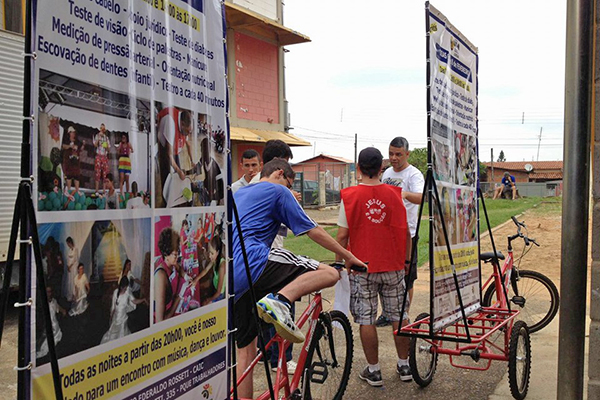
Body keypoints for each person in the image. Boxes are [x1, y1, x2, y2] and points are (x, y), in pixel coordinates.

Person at [233, 159, 366, 398]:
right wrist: (348, 256)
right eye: (289, 183)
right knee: (329, 273)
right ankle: (281, 300)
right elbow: (311, 229)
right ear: (280, 174)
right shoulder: (277, 190)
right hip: (255, 260)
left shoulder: (240, 193)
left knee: (246, 350)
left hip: (232, 276)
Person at [336, 147, 412, 386]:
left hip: (362, 266)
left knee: (366, 320)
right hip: (393, 265)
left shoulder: (349, 196)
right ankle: (404, 365)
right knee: (400, 316)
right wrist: (407, 261)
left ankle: (374, 370)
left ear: (358, 168)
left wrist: (341, 262)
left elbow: (341, 236)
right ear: (382, 168)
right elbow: (406, 233)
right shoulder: (396, 194)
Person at [377, 136, 424, 326]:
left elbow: (422, 197)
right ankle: (387, 313)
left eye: (398, 154)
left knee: (407, 277)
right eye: (390, 154)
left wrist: (403, 194)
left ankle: (404, 315)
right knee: (384, 275)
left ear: (407, 154)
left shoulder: (414, 175)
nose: (394, 158)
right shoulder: (387, 172)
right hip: (386, 233)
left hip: (407, 234)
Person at [101, 276, 147, 344]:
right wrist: (111, 316)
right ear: (122, 286)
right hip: (116, 318)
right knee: (113, 334)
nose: (126, 289)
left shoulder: (127, 292)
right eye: (125, 288)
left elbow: (134, 301)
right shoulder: (115, 292)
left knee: (123, 333)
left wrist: (143, 299)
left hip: (123, 318)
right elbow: (113, 307)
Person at [154, 228, 185, 322]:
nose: (177, 257)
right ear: (166, 254)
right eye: (175, 254)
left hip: (174, 303)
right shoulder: (160, 276)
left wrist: (186, 277)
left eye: (178, 253)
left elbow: (180, 269)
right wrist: (178, 299)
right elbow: (160, 321)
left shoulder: (172, 261)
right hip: (167, 318)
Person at [37, 286, 66, 358]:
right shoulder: (42, 302)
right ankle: (42, 351)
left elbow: (57, 307)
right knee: (46, 338)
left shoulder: (53, 300)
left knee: (55, 335)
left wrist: (63, 310)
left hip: (54, 322)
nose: (48, 293)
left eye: (49, 291)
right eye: (47, 291)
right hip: (47, 323)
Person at [62, 126, 83, 196]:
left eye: (74, 132)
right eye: (72, 132)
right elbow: (63, 146)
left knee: (76, 175)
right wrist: (70, 146)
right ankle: (69, 190)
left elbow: (80, 148)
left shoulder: (77, 141)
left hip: (76, 161)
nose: (73, 134)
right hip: (68, 160)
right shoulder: (66, 140)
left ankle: (77, 191)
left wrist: (82, 145)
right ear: (69, 133)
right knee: (69, 175)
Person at [93, 123, 111, 195]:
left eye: (103, 129)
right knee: (97, 173)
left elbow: (109, 149)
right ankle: (96, 191)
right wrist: (98, 138)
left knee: (104, 174)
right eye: (101, 128)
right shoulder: (97, 135)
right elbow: (95, 145)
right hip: (98, 156)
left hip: (104, 156)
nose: (102, 130)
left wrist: (105, 144)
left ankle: (104, 191)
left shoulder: (106, 138)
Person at [64, 237, 79, 302]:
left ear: (70, 242)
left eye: (68, 243)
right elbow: (68, 259)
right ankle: (70, 295)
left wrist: (70, 266)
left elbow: (75, 259)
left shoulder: (75, 249)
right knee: (70, 281)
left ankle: (75, 295)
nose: (68, 245)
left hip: (74, 267)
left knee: (74, 280)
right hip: (69, 267)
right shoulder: (69, 250)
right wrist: (68, 266)